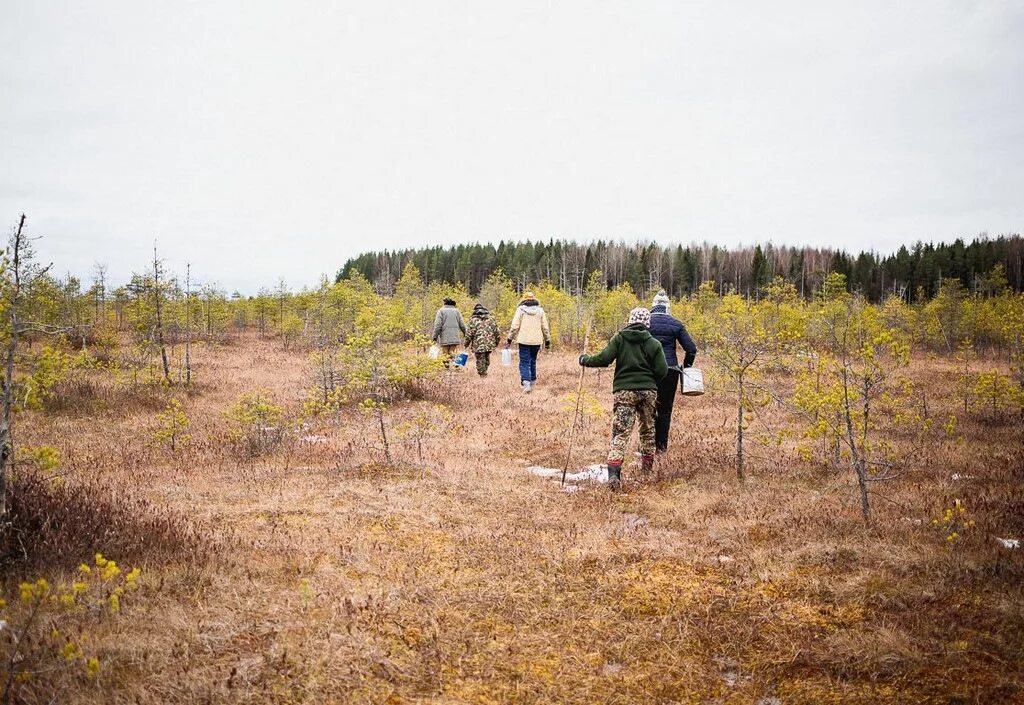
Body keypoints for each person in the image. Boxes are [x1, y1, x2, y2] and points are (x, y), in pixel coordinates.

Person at [579, 307, 668, 491]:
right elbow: (662, 370)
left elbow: (604, 359)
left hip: (624, 391)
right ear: (647, 323)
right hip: (648, 391)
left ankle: (614, 475)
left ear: (630, 320)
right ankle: (646, 469)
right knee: (648, 430)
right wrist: (650, 382)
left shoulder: (619, 338)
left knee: (621, 432)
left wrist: (585, 360)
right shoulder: (653, 343)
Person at [649, 290, 698, 453]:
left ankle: (646, 446)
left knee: (647, 409)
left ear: (653, 305)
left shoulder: (645, 322)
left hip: (649, 371)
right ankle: (661, 447)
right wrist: (686, 367)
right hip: (671, 371)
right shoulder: (676, 324)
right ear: (667, 307)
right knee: (665, 410)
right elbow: (691, 349)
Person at [506, 290, 551, 392]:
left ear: (524, 299)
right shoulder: (540, 311)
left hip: (524, 341)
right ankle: (532, 383)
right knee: (533, 361)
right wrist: (547, 340)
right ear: (534, 299)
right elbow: (545, 327)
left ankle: (526, 384)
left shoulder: (520, 310)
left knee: (524, 362)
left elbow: (514, 326)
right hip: (537, 341)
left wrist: (510, 338)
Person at [464, 303, 501, 376]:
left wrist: (466, 344)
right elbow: (497, 332)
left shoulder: (473, 320)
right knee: (486, 358)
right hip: (489, 344)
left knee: (480, 359)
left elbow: (469, 334)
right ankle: (484, 372)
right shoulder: (491, 319)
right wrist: (497, 342)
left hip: (478, 344)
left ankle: (483, 374)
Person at [432, 298, 466, 366]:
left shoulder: (441, 311)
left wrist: (435, 336)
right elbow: (462, 325)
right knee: (452, 353)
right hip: (455, 337)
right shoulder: (457, 311)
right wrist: (466, 334)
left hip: (445, 337)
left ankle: (447, 369)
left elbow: (437, 325)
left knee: (445, 355)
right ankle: (454, 368)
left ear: (445, 303)